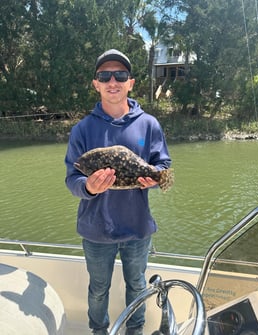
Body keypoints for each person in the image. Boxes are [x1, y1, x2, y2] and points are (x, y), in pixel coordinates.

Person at [65, 49, 172, 335]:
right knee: (98, 289)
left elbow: (162, 163)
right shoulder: (81, 130)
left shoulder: (148, 124)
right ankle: (98, 331)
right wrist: (88, 187)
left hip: (137, 228)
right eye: (105, 75)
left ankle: (134, 330)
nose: (113, 81)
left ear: (131, 82)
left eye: (120, 75)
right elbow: (72, 178)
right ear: (96, 83)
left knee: (138, 284)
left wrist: (156, 176)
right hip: (95, 229)